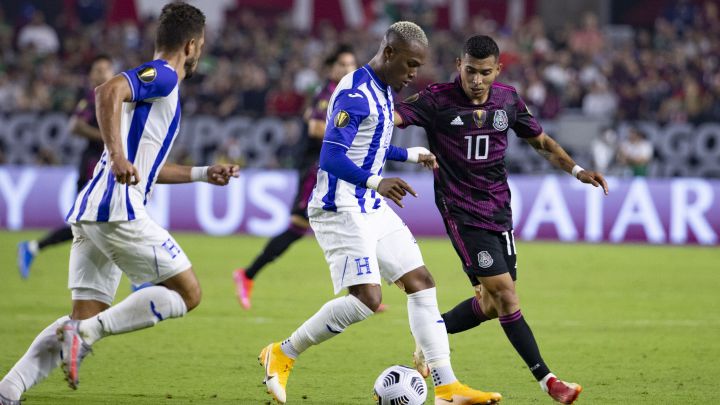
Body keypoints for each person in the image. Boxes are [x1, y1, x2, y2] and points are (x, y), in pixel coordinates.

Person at [0, 4, 239, 404]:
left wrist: (201, 173)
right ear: (193, 44)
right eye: (202, 45)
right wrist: (117, 155)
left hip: (94, 211)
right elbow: (106, 90)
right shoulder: (163, 73)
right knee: (188, 294)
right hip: (117, 207)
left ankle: (9, 388)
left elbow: (148, 167)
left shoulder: (160, 86)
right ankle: (85, 336)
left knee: (83, 314)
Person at [258, 22, 502, 405]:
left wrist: (409, 154)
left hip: (369, 205)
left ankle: (448, 386)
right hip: (340, 207)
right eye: (409, 65)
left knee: (422, 282)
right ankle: (283, 352)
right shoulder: (356, 93)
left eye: (418, 66)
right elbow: (331, 156)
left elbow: (369, 144)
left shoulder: (385, 90)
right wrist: (377, 182)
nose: (413, 74)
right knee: (367, 298)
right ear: (388, 53)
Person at [394, 35, 609, 405]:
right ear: (459, 64)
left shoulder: (507, 100)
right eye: (470, 71)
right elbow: (394, 116)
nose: (476, 80)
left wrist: (576, 170)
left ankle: (430, 334)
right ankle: (549, 381)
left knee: (493, 305)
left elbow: (540, 142)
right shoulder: (436, 99)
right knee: (507, 295)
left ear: (498, 70)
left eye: (485, 73)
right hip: (460, 211)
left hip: (499, 210)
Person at [233, 45, 358, 310]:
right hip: (315, 170)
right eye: (343, 65)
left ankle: (360, 290)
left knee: (348, 220)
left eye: (351, 65)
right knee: (298, 227)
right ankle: (247, 274)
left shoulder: (343, 94)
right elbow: (315, 127)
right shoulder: (327, 93)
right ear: (332, 68)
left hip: (330, 168)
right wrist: (349, 133)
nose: (348, 70)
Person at [17, 54, 114, 279]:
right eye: (98, 70)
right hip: (92, 167)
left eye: (106, 70)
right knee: (98, 222)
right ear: (91, 75)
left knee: (91, 224)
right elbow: (75, 125)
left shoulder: (110, 96)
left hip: (106, 166)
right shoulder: (91, 97)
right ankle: (141, 279)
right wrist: (107, 137)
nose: (103, 74)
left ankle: (32, 248)